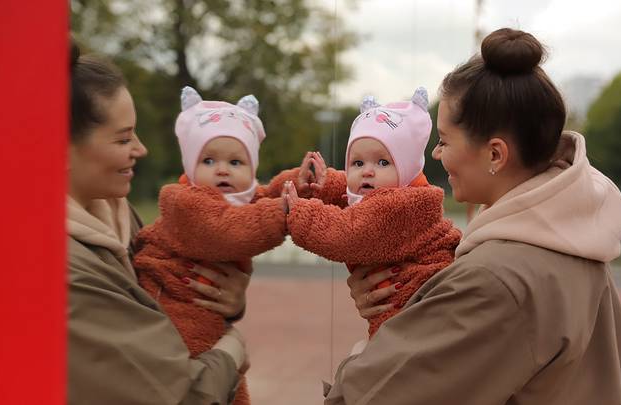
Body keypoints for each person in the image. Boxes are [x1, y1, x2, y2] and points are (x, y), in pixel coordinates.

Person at [326, 28, 621, 404]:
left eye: (443, 141)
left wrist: (368, 348)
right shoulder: (580, 237)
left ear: (495, 154)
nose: (437, 156)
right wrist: (414, 309)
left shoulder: (495, 278)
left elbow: (366, 396)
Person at [67, 41, 250, 404]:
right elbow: (179, 395)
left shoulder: (117, 214)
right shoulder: (66, 273)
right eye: (123, 138)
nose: (141, 148)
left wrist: (227, 300)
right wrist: (232, 349)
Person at [133, 86, 301, 405]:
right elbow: (228, 231)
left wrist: (299, 185)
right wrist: (286, 211)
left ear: (251, 170)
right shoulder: (184, 202)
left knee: (228, 385)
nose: (222, 169)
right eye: (208, 160)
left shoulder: (242, 200)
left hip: (208, 315)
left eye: (236, 162)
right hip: (172, 308)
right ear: (190, 166)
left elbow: (264, 196)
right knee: (204, 381)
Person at [283, 88, 462, 336]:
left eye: (383, 162)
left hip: (417, 309)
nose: (367, 171)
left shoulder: (401, 205)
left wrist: (301, 214)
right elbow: (353, 198)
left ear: (408, 169)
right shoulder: (388, 194)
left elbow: (347, 233)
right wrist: (326, 186)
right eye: (358, 163)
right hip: (406, 307)